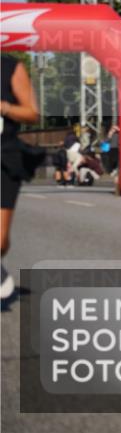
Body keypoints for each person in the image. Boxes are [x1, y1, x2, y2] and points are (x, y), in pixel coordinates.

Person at [1, 55, 41, 299]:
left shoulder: (10, 67)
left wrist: (4, 107)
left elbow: (31, 113)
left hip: (3, 157)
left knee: (1, 240)